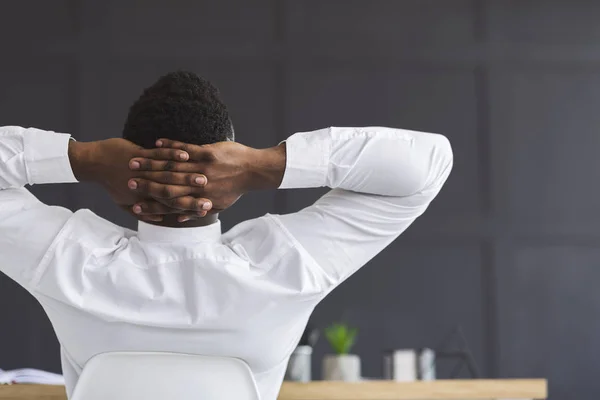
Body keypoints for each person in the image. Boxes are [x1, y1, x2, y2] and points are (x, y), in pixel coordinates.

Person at [0, 71, 453, 400]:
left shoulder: (67, 261)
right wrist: (264, 166)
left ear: (123, 182)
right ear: (229, 173)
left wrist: (84, 158)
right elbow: (427, 165)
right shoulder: (288, 267)